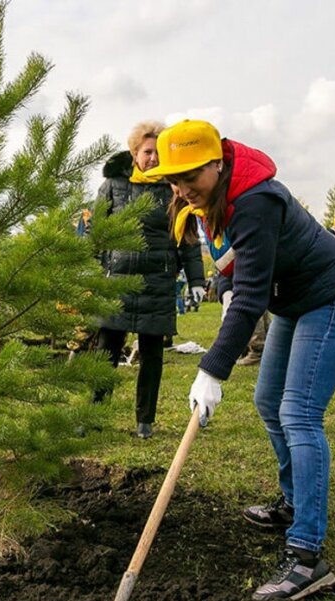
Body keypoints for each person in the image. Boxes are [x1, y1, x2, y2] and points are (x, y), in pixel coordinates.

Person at [148, 119, 335, 601]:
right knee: (269, 400)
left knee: (299, 413)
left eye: (190, 177)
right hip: (292, 302)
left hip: (329, 297)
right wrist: (224, 291)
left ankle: (308, 557)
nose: (182, 189)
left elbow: (251, 299)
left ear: (217, 163)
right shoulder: (211, 200)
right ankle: (294, 501)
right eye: (174, 180)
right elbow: (232, 267)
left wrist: (211, 369)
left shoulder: (255, 200)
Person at [93, 121, 205, 439]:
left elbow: (188, 238)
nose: (153, 158)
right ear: (134, 152)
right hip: (118, 281)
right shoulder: (114, 185)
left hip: (158, 281)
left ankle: (145, 420)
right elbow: (97, 231)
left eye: (158, 152)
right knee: (106, 351)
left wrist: (196, 280)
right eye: (147, 152)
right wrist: (95, 269)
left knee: (152, 354)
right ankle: (95, 414)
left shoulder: (175, 188)